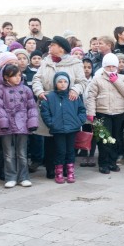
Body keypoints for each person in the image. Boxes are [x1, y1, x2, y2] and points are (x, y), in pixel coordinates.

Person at [32, 36, 88, 179]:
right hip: (50, 104)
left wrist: (75, 90)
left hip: (67, 104)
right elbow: (37, 79)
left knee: (66, 140)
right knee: (50, 138)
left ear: (61, 48)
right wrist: (39, 92)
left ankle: (66, 169)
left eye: (52, 45)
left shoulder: (75, 63)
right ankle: (51, 168)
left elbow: (82, 81)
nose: (49, 47)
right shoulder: (46, 62)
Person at [84, 53, 124, 175]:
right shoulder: (97, 78)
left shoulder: (123, 78)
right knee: (104, 139)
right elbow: (91, 96)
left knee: (116, 139)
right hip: (102, 112)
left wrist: (116, 81)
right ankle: (103, 163)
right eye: (108, 66)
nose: (111, 69)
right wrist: (91, 112)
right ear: (104, 66)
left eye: (113, 66)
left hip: (118, 113)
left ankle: (112, 162)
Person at [0, 64, 39, 188]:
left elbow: (32, 107)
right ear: (6, 77)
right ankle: (10, 177)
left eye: (19, 75)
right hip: (6, 125)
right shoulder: (0, 90)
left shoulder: (26, 89)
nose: (18, 78)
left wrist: (32, 122)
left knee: (22, 153)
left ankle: (23, 177)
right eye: (14, 76)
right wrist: (3, 122)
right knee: (8, 154)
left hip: (22, 124)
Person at [40, 72, 87, 184]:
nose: (63, 84)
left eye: (65, 81)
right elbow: (45, 112)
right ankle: (59, 173)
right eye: (60, 82)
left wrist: (78, 122)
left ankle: (70, 172)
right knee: (60, 151)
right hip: (58, 130)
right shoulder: (50, 97)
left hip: (72, 129)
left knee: (70, 151)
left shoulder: (73, 96)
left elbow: (82, 110)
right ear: (55, 83)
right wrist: (52, 123)